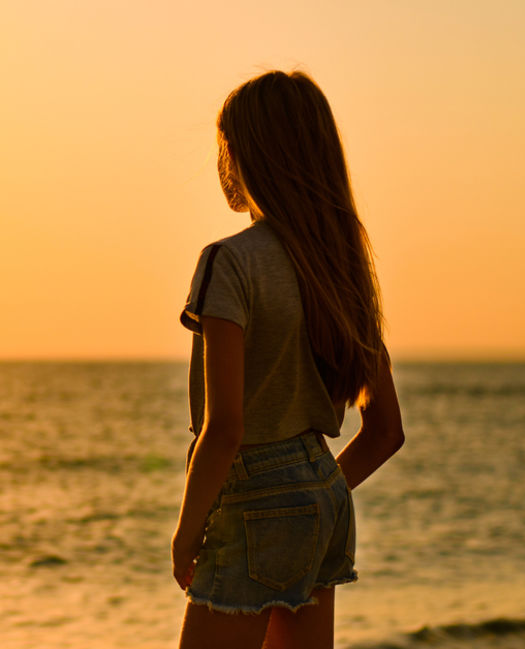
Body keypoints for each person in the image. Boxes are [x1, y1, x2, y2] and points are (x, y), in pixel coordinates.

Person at [171, 70, 405, 649]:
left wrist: (186, 531)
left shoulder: (230, 263)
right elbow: (385, 432)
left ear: (247, 155)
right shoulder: (342, 265)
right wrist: (312, 494)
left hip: (251, 493)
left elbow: (225, 428)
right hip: (323, 493)